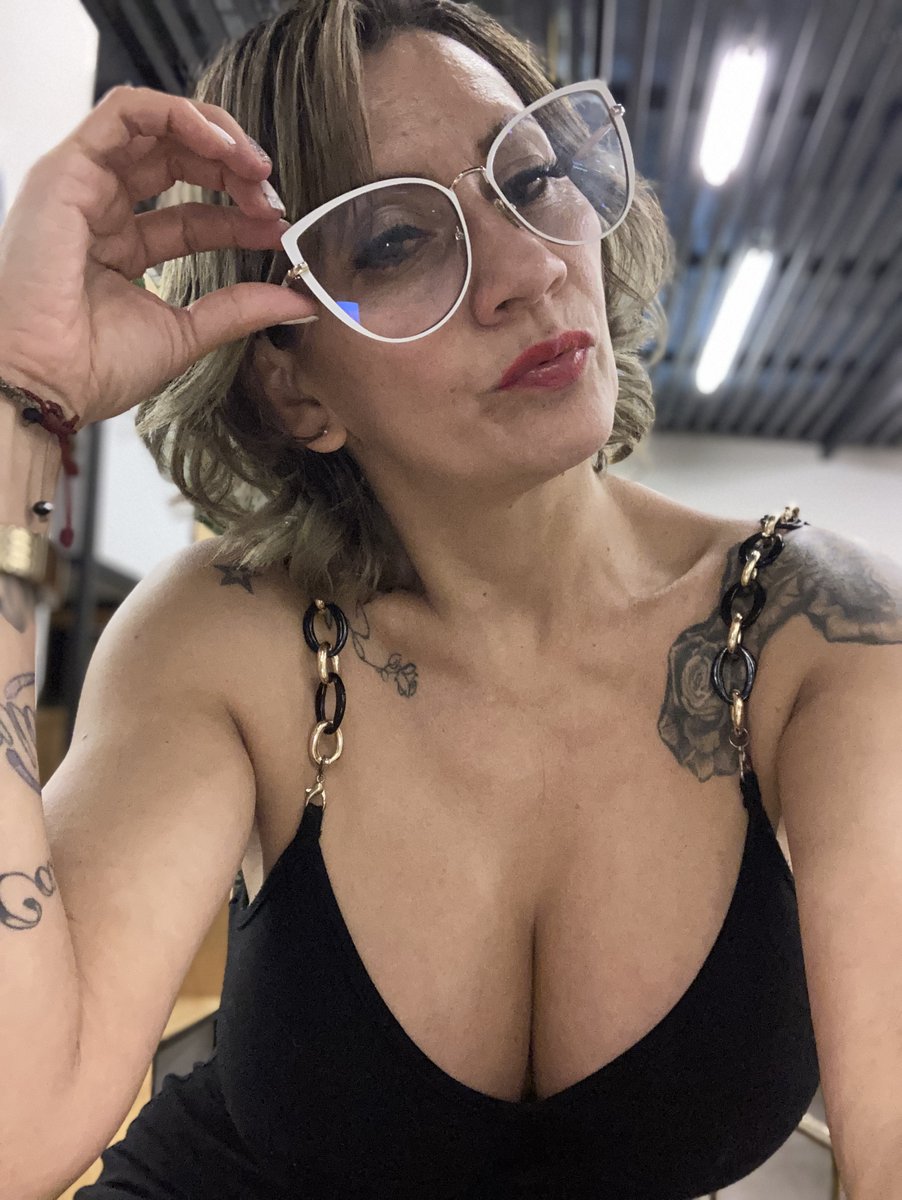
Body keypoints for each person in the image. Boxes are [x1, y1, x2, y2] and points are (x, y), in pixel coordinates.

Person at [2, 1, 900, 1197]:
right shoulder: (231, 636)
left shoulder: (811, 632)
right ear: (293, 391)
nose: (528, 270)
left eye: (531, 179)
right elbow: (20, 1129)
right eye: (393, 242)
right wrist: (21, 400)